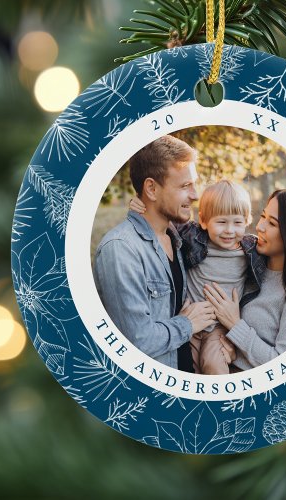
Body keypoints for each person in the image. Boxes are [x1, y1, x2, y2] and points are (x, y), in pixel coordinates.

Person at [93, 135, 216, 372]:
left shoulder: (178, 239)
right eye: (184, 186)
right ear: (151, 188)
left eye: (194, 184)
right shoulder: (121, 249)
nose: (195, 194)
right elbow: (136, 341)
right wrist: (188, 324)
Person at [130, 180, 266, 375]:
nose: (229, 230)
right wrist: (140, 206)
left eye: (237, 222)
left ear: (247, 221)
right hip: (189, 321)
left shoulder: (251, 250)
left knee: (213, 365)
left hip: (219, 327)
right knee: (187, 367)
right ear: (203, 221)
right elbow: (163, 219)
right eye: (221, 222)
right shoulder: (193, 236)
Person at [203, 188, 286, 370]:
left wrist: (235, 325)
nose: (260, 226)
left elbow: (285, 366)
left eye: (272, 223)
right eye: (263, 217)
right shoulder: (247, 261)